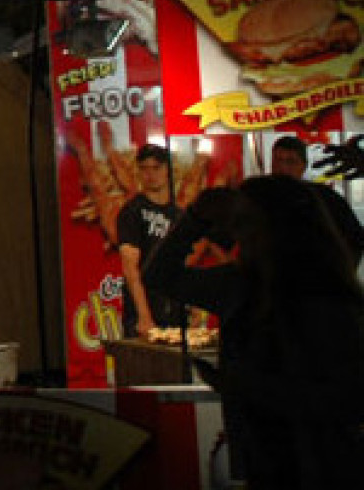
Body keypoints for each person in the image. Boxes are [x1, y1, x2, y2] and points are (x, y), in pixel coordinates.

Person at [145, 178, 364, 487]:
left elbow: (348, 397)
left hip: (322, 466)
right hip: (261, 460)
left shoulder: (322, 298)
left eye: (247, 223)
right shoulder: (240, 283)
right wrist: (194, 218)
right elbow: (159, 277)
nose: (239, 236)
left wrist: (249, 387)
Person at [116, 143, 183, 337]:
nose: (150, 174)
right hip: (143, 309)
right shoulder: (132, 212)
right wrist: (144, 316)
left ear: (168, 170)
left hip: (173, 308)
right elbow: (130, 268)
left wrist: (193, 306)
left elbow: (183, 264)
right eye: (144, 168)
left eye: (156, 168)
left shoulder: (178, 215)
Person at [270, 135, 364, 265]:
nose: (283, 168)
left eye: (290, 161)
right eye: (277, 161)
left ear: (303, 166)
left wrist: (341, 276)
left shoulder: (327, 198)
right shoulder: (260, 197)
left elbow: (355, 239)